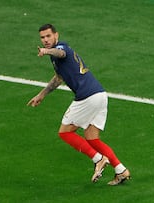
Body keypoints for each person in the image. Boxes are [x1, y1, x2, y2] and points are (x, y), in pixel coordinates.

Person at [27, 24, 130, 186]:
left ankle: (98, 159)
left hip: (87, 97)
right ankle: (121, 170)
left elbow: (60, 53)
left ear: (56, 35)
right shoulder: (57, 55)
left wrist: (47, 51)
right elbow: (58, 78)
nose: (45, 40)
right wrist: (42, 95)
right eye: (42, 37)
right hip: (100, 95)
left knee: (65, 133)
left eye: (48, 36)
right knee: (92, 138)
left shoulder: (61, 49)